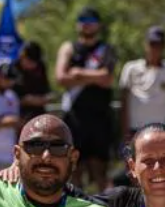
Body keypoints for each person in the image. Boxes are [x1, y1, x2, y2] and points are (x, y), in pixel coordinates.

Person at [56, 7, 117, 193]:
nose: (87, 23)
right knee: (74, 169)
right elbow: (60, 77)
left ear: (98, 24)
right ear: (77, 25)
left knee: (100, 172)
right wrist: (94, 77)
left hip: (100, 116)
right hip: (74, 117)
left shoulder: (106, 49)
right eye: (83, 19)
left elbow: (107, 79)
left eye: (91, 19)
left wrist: (78, 73)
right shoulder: (68, 47)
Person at [119, 26, 165, 137]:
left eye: (159, 44)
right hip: (134, 131)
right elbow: (123, 101)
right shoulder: (131, 68)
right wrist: (125, 133)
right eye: (152, 44)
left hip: (160, 132)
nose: (155, 48)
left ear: (164, 46)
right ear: (145, 44)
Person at [14, 42, 52, 124]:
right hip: (18, 116)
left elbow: (46, 90)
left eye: (35, 63)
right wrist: (25, 100)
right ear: (22, 57)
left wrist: (45, 98)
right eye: (30, 62)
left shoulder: (40, 67)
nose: (33, 66)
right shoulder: (13, 69)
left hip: (38, 115)